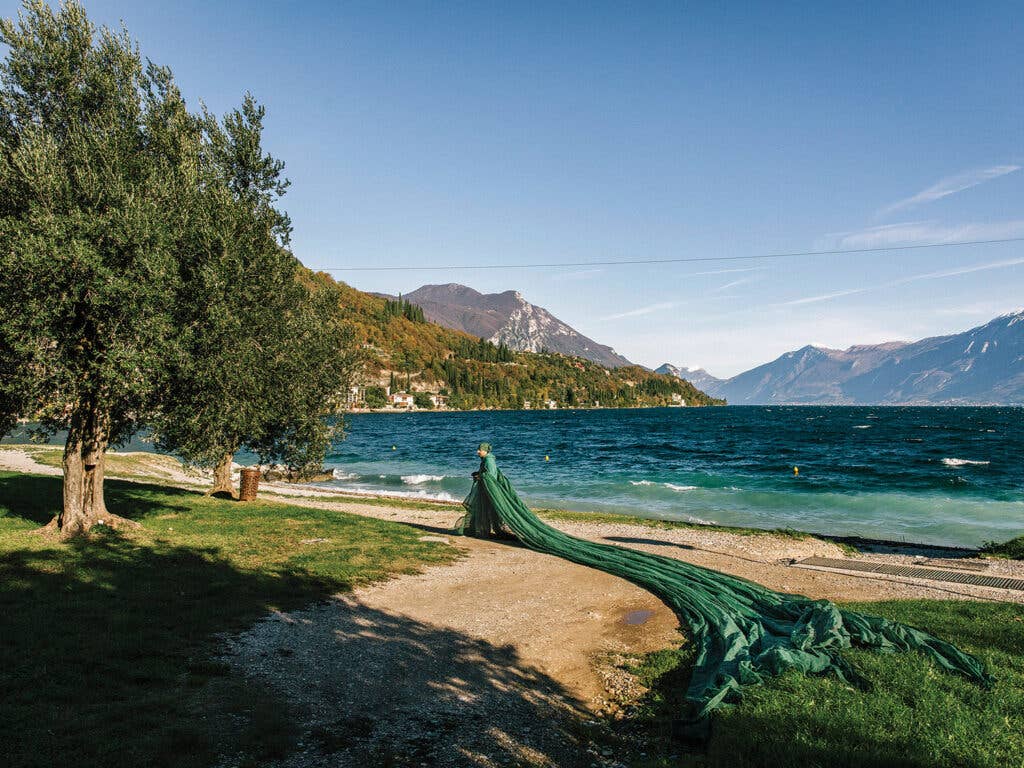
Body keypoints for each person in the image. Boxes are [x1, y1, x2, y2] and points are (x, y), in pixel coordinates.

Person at [456, 442, 512, 539]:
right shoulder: (485, 459)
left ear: (485, 451)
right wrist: (479, 473)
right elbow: (487, 473)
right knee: (484, 509)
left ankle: (485, 531)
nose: (477, 452)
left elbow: (491, 476)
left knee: (487, 509)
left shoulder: (489, 460)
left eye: (480, 450)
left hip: (490, 490)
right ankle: (483, 530)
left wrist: (480, 476)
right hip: (486, 489)